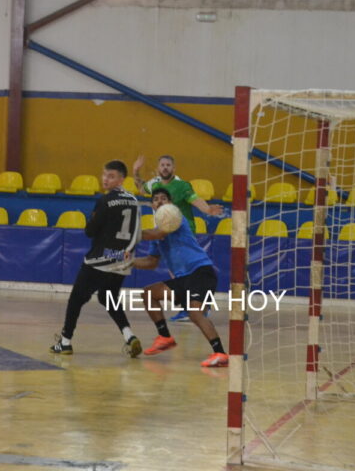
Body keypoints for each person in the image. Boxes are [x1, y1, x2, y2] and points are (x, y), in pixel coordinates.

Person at [50, 160, 143, 358]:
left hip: (101, 259)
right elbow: (138, 233)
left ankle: (65, 342)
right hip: (123, 260)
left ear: (121, 179)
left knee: (76, 299)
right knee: (108, 298)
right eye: (104, 174)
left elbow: (90, 231)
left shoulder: (106, 200)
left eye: (111, 176)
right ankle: (129, 336)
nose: (105, 179)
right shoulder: (135, 201)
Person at [133, 187, 228, 368]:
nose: (159, 201)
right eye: (156, 199)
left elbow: (158, 233)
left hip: (200, 272)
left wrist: (131, 235)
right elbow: (151, 262)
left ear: (171, 204)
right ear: (152, 205)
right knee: (148, 294)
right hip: (183, 279)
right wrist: (129, 263)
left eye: (164, 198)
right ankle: (165, 337)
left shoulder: (175, 218)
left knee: (195, 314)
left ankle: (221, 353)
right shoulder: (156, 233)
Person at [132, 154, 223, 322]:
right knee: (175, 271)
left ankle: (197, 306)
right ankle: (191, 307)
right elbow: (141, 189)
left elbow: (194, 199)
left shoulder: (181, 186)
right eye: (162, 165)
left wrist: (207, 210)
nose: (165, 167)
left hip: (182, 231)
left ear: (174, 168)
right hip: (164, 231)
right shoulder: (156, 185)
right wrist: (136, 171)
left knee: (186, 269)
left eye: (168, 165)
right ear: (158, 168)